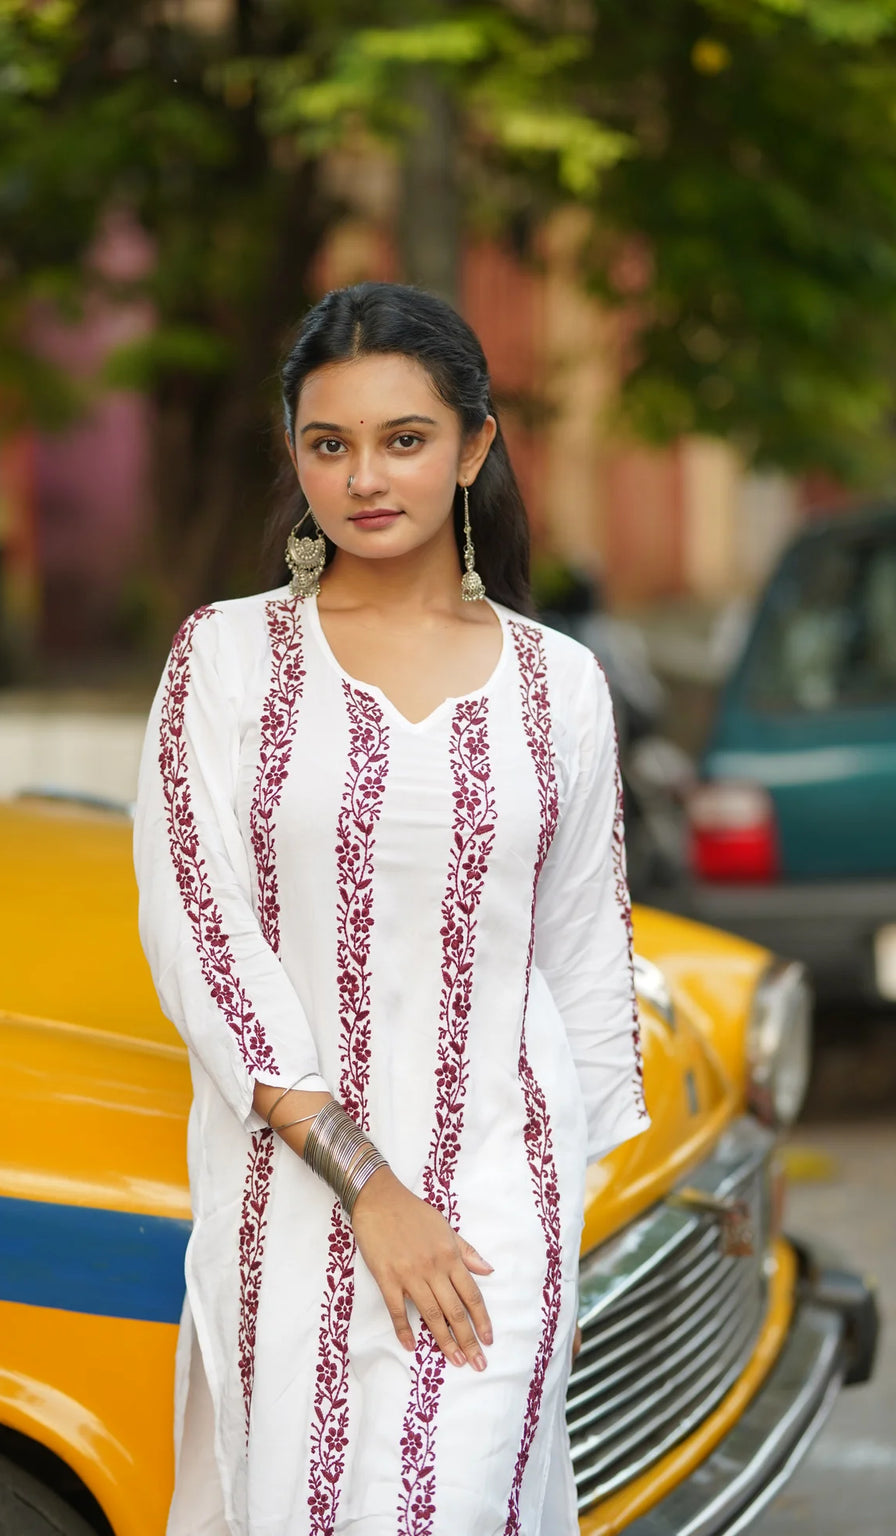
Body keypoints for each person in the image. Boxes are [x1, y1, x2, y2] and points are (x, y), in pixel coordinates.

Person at [133, 281, 651, 1536]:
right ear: (297, 457)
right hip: (296, 1205)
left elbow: (583, 956)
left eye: (404, 439)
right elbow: (205, 939)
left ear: (474, 447)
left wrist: (554, 1215)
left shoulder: (558, 686)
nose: (365, 476)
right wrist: (371, 1186)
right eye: (330, 443)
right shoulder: (227, 658)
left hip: (498, 1223)